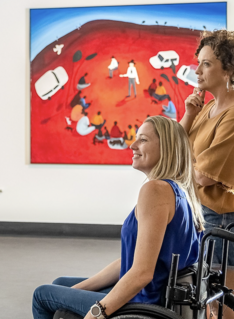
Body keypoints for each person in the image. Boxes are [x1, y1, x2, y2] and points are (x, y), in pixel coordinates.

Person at [32, 117, 204, 319]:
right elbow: (131, 262)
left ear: (166, 148)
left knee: (42, 295)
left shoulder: (156, 190)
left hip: (146, 303)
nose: (133, 145)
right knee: (60, 284)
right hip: (158, 293)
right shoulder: (178, 190)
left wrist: (97, 312)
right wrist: (73, 291)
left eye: (143, 140)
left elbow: (142, 274)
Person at [180, 30, 234, 318]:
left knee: (225, 310)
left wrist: (182, 165)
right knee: (209, 308)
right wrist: (189, 114)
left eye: (207, 64)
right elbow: (177, 147)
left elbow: (205, 176)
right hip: (206, 213)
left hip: (227, 220)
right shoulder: (211, 106)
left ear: (229, 69)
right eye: (198, 62)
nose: (197, 71)